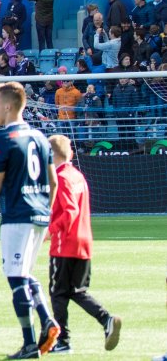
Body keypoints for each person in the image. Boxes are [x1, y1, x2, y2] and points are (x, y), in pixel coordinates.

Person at [0, 81, 60, 359]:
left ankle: (31, 343)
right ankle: (46, 321)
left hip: (18, 217)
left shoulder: (4, 139)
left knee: (16, 278)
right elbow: (54, 181)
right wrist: (47, 213)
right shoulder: (42, 138)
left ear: (8, 106)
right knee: (26, 274)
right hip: (39, 216)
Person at [46, 134, 121, 353]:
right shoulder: (77, 175)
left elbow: (70, 211)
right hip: (84, 241)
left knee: (58, 292)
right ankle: (106, 319)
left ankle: (63, 341)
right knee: (77, 290)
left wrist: (50, 231)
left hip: (65, 243)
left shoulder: (60, 177)